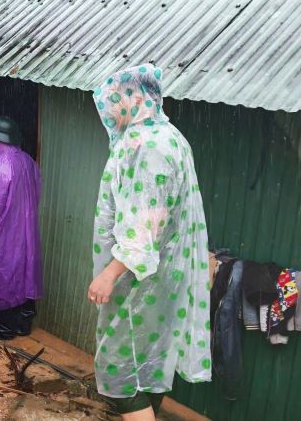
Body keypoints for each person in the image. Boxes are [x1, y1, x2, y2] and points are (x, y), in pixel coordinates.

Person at [88, 64, 211, 420]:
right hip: (164, 276)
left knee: (117, 366)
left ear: (136, 98)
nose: (108, 109)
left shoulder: (146, 145)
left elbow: (145, 222)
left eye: (114, 100)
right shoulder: (169, 135)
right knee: (150, 363)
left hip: (142, 278)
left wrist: (109, 274)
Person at [0, 116, 43, 340]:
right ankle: (23, 324)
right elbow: (36, 193)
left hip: (6, 232)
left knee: (4, 275)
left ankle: (3, 328)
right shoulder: (28, 161)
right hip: (26, 230)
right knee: (24, 274)